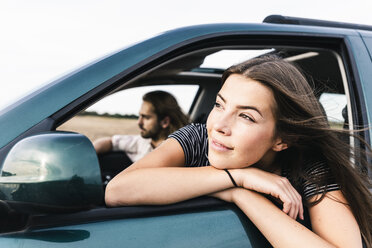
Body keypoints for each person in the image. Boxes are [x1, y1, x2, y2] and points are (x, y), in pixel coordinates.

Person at [105, 56, 372, 247]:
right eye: (219, 105)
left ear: (282, 140)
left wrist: (243, 196)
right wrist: (237, 178)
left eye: (246, 116)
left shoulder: (309, 168)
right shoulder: (198, 139)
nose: (219, 126)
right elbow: (117, 191)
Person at [93, 90, 189, 162]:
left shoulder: (180, 151)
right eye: (140, 116)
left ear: (164, 122)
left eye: (146, 117)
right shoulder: (142, 142)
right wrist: (88, 155)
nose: (139, 122)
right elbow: (112, 142)